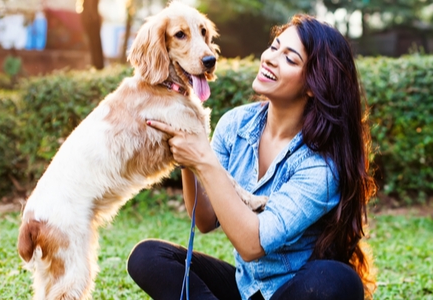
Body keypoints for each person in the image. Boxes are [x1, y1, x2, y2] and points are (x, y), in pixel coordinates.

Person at [127, 14, 376, 300]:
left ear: (313, 85)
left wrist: (203, 160)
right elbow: (206, 220)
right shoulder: (236, 124)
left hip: (295, 290)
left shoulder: (321, 165)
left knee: (337, 279)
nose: (270, 58)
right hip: (246, 289)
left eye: (290, 59)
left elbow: (252, 244)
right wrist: (188, 158)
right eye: (274, 47)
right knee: (148, 256)